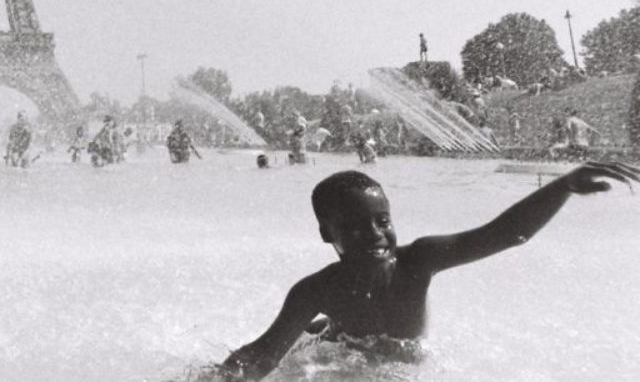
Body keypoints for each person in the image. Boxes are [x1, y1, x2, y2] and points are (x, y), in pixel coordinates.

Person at [209, 162, 640, 379]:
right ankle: (322, 330)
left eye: (383, 221)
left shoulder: (418, 262)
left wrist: (563, 186)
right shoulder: (315, 290)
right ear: (327, 234)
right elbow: (264, 354)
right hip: (342, 363)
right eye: (355, 228)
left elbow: (508, 234)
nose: (375, 234)